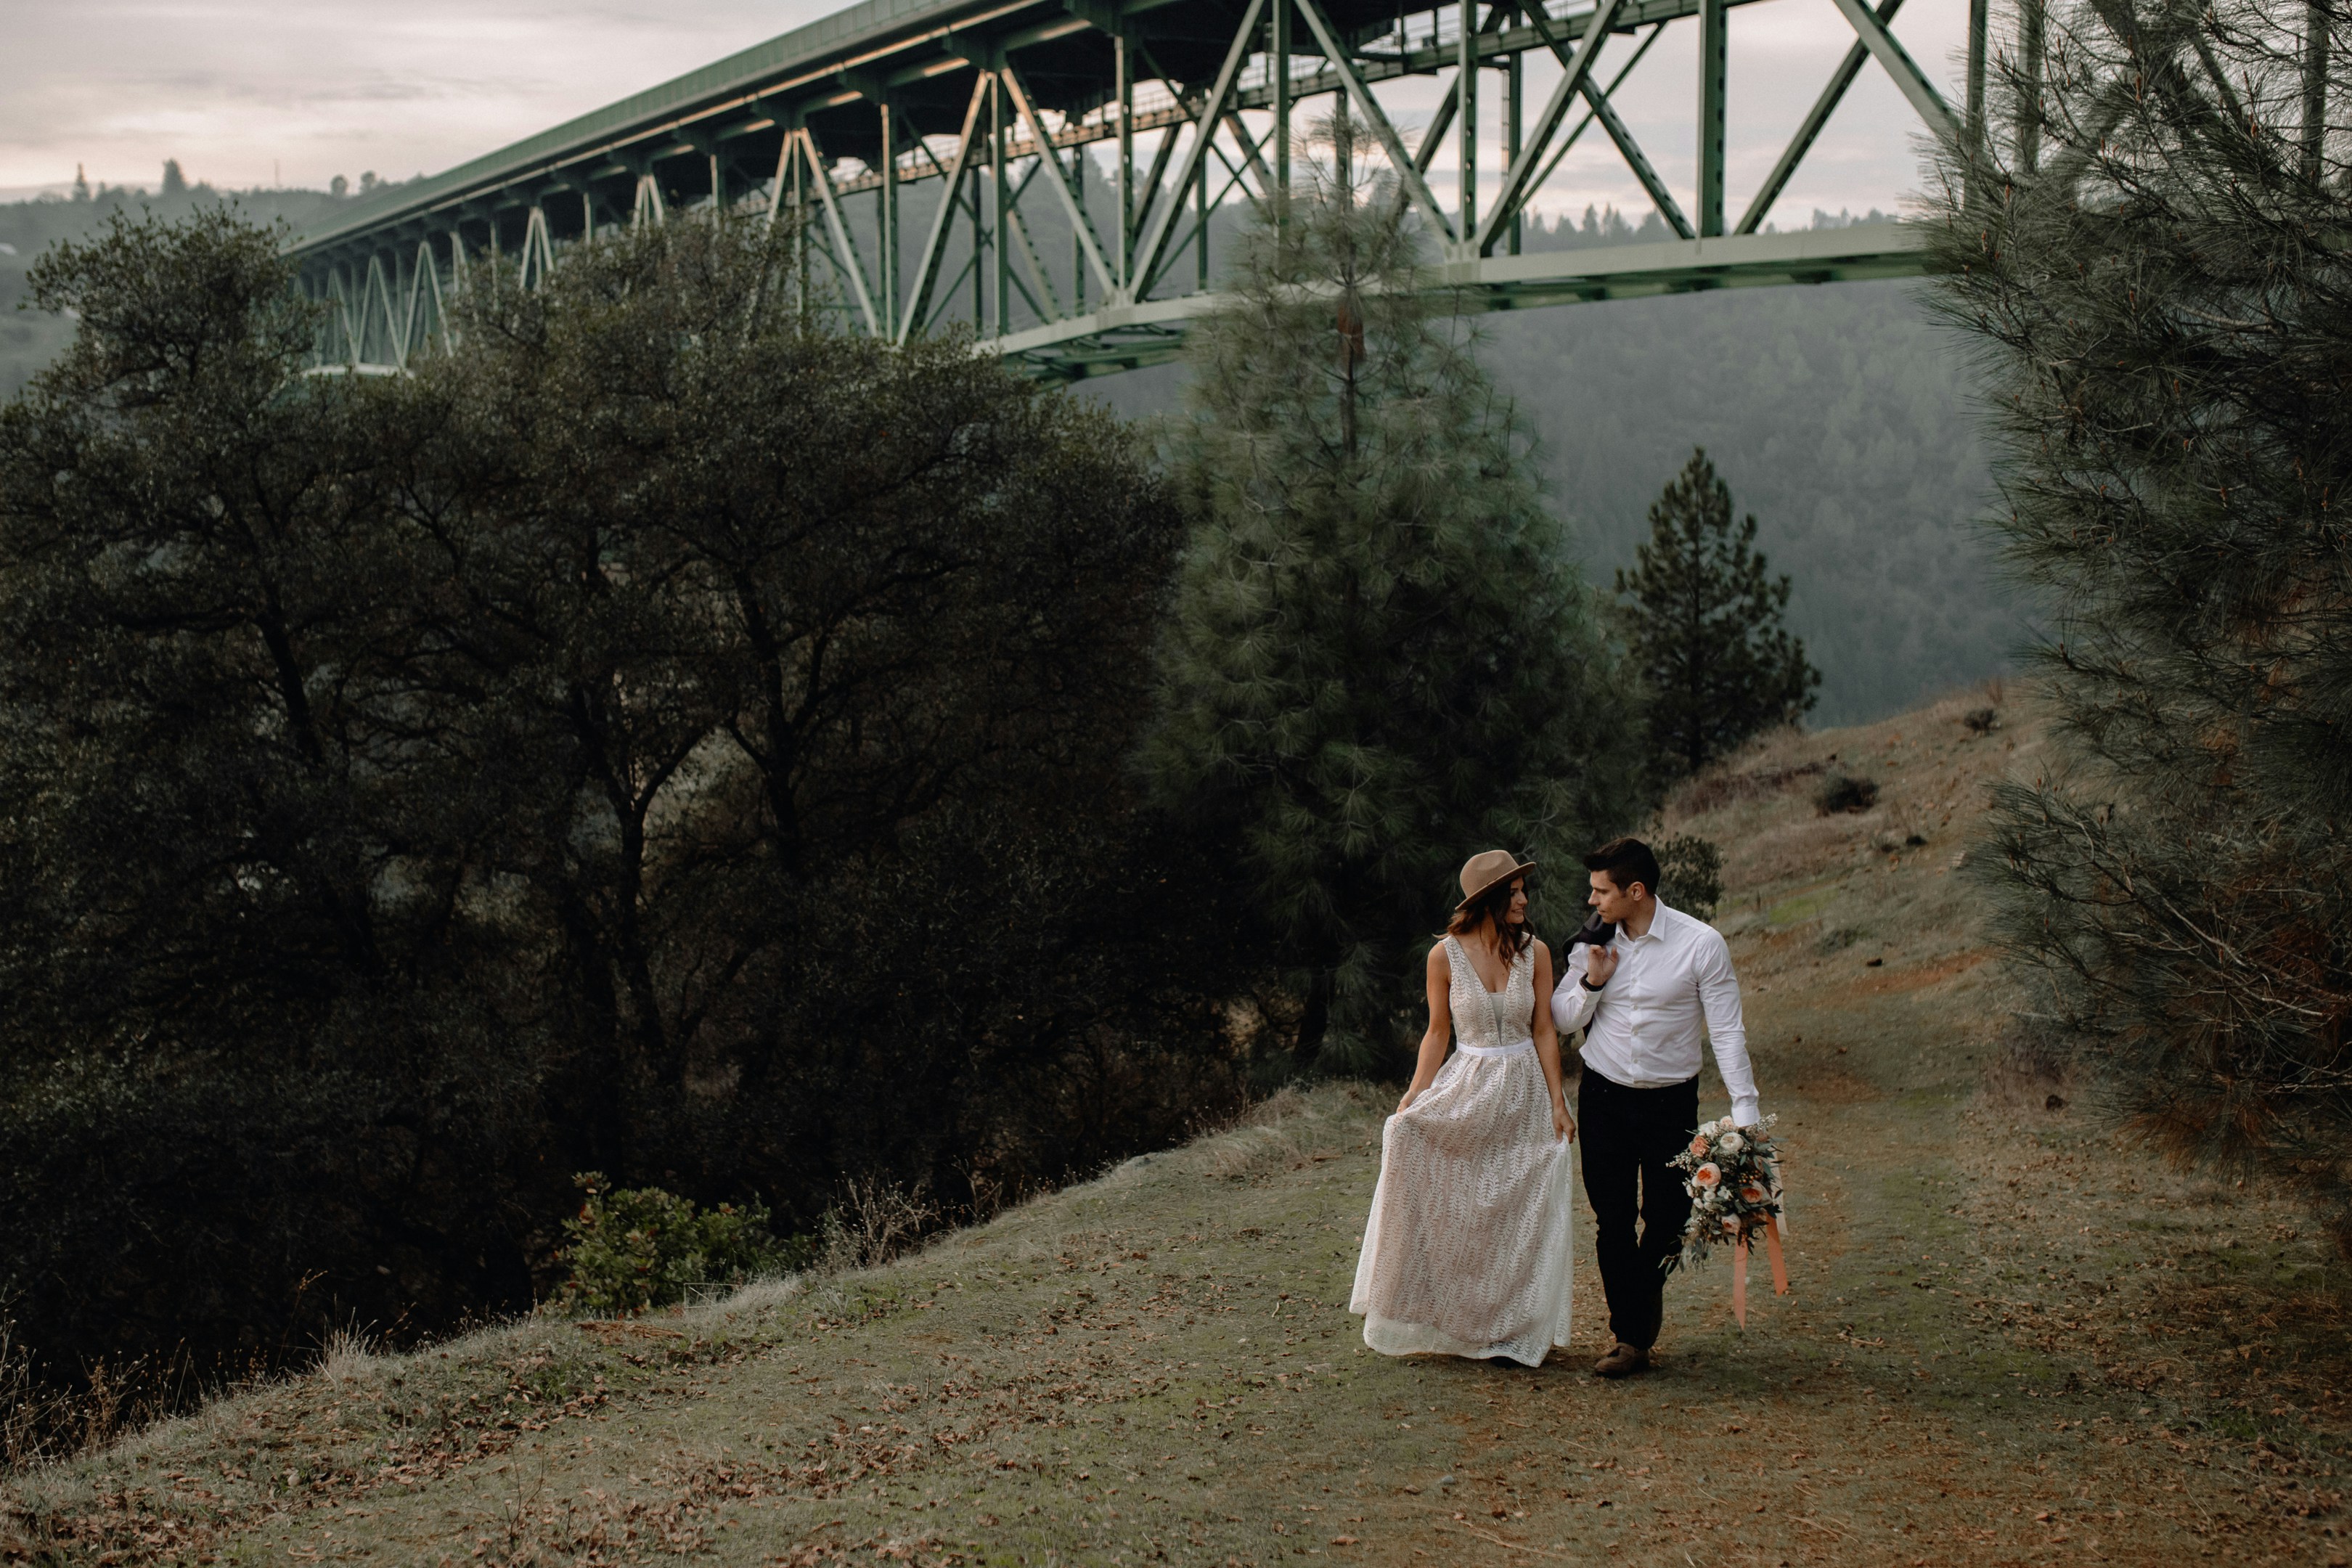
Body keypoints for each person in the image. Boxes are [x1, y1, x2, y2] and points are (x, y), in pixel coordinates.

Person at [1350, 850, 1577, 1366]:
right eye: (1514, 891)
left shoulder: (1534, 952)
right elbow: (1437, 1034)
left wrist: (1558, 1104)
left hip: (1523, 1089)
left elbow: (1544, 1029)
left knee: (1515, 1205)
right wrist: (1412, 1098)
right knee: (1454, 1189)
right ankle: (1460, 1321)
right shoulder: (1443, 956)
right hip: (1469, 1085)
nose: (1523, 899)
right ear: (1490, 900)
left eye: (1523, 890)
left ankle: (1511, 1327)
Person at [1551, 836, 1762, 1379]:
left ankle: (1639, 1299)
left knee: (1670, 1217)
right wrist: (1594, 982)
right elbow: (1561, 1018)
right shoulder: (1591, 942)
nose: (1593, 900)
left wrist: (1745, 1108)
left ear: (1636, 891)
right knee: (1613, 1220)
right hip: (1603, 1096)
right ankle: (1630, 1338)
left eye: (1602, 891)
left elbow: (1727, 1030)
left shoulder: (1701, 944)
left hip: (1671, 1103)